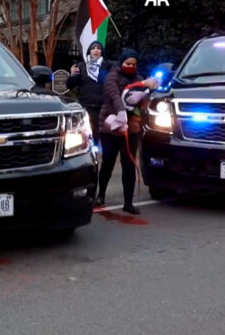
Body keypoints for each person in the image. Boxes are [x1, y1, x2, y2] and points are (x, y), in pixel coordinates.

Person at [96, 49, 158, 213]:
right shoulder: (112, 76)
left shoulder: (139, 79)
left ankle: (128, 202)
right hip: (110, 127)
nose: (130, 66)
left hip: (130, 128)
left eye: (133, 64)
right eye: (127, 64)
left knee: (129, 164)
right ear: (121, 63)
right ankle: (100, 195)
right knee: (108, 161)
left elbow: (143, 101)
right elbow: (114, 96)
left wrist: (148, 91)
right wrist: (122, 111)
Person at [66, 41, 114, 145]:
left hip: (103, 105)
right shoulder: (82, 66)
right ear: (89, 52)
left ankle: (100, 154)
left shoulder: (108, 66)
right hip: (86, 104)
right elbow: (70, 85)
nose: (96, 50)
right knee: (87, 132)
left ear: (102, 52)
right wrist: (72, 75)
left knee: (102, 133)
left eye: (98, 48)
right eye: (93, 48)